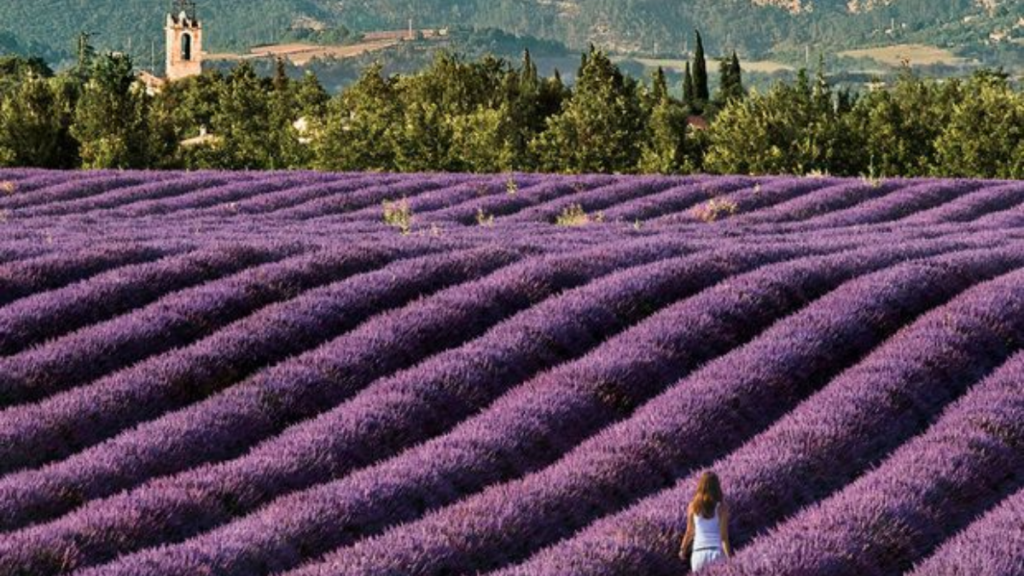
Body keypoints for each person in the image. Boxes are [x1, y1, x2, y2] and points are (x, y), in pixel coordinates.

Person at [679, 471, 732, 572]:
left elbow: (689, 531)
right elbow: (723, 537)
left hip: (697, 555)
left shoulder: (692, 506)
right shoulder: (721, 508)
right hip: (716, 553)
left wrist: (683, 549)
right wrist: (730, 559)